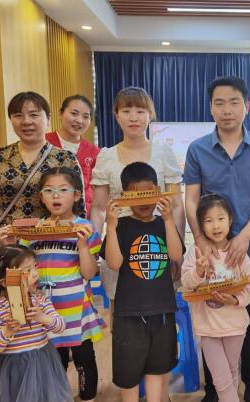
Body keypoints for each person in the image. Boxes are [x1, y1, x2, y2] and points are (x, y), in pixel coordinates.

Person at [0, 91, 84, 355]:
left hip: (48, 255)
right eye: (18, 115)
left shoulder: (64, 158)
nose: (26, 121)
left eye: (34, 115)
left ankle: (47, 372)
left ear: (47, 118)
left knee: (46, 322)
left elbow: (78, 210)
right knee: (4, 320)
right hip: (6, 253)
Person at [184, 76, 250, 402]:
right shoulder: (198, 149)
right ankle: (215, 390)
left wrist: (245, 236)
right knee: (213, 318)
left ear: (246, 106)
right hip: (213, 253)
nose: (227, 110)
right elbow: (191, 199)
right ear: (211, 108)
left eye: (234, 102)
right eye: (219, 103)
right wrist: (200, 239)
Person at [0, 167, 104, 402]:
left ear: (76, 195)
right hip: (44, 309)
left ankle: (88, 397)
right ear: (41, 197)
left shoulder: (85, 228)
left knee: (84, 358)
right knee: (55, 360)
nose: (56, 195)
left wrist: (83, 245)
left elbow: (89, 273)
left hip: (76, 308)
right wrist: (10, 244)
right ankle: (58, 396)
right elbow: (20, 269)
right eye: (49, 190)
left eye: (63, 190)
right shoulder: (32, 230)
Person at [90, 87, 184, 305]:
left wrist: (177, 248)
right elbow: (99, 208)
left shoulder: (164, 153)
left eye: (140, 111)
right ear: (116, 115)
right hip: (119, 243)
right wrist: (93, 247)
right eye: (126, 111)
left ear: (150, 115)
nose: (133, 117)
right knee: (120, 308)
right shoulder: (106, 156)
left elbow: (176, 205)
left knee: (159, 305)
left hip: (158, 242)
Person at [101, 162, 184, 402]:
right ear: (124, 196)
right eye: (135, 195)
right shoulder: (121, 226)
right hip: (128, 314)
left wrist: (168, 219)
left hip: (162, 310)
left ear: (157, 191)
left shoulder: (163, 223)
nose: (143, 201)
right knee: (128, 374)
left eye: (148, 193)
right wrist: (111, 225)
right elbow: (114, 263)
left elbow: (176, 255)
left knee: (157, 369)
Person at [181, 194, 250, 402]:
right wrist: (198, 271)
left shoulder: (237, 252)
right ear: (201, 225)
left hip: (235, 326)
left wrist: (235, 300)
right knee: (221, 380)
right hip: (208, 328)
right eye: (208, 220)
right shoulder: (196, 253)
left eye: (221, 218)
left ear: (230, 220)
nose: (216, 225)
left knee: (232, 372)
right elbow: (186, 283)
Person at [0, 245, 72, 402]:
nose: (35, 274)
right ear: (5, 282)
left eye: (35, 266)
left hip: (42, 365)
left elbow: (61, 326)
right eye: (27, 271)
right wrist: (6, 331)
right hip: (11, 372)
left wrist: (43, 318)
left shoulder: (41, 301)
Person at [46, 94, 101, 215]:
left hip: (83, 219)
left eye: (85, 116)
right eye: (74, 113)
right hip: (47, 217)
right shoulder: (44, 143)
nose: (79, 120)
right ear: (60, 113)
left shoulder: (94, 152)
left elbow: (96, 193)